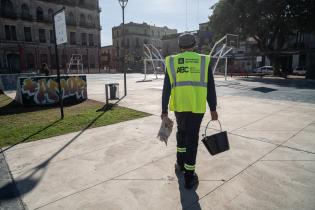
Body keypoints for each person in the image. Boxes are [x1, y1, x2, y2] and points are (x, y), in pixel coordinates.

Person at [161, 33, 218, 189]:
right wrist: (213, 108)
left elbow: (166, 88)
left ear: (180, 47)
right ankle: (189, 176)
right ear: (195, 44)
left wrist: (164, 109)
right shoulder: (203, 60)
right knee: (192, 139)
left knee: (182, 134)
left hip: (180, 106)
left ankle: (180, 164)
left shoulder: (172, 62)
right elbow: (211, 88)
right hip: (197, 107)